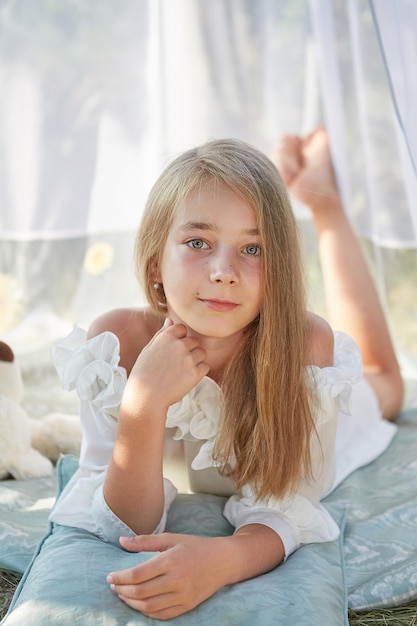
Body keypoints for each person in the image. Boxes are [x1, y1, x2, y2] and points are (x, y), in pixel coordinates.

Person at [49, 128, 403, 621]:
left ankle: (325, 203)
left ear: (277, 267)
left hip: (328, 429)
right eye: (198, 241)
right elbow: (124, 520)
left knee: (385, 382)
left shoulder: (305, 350)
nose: (223, 271)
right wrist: (143, 405)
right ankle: (311, 188)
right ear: (155, 264)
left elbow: (289, 506)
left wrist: (225, 560)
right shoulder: (116, 346)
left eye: (252, 249)